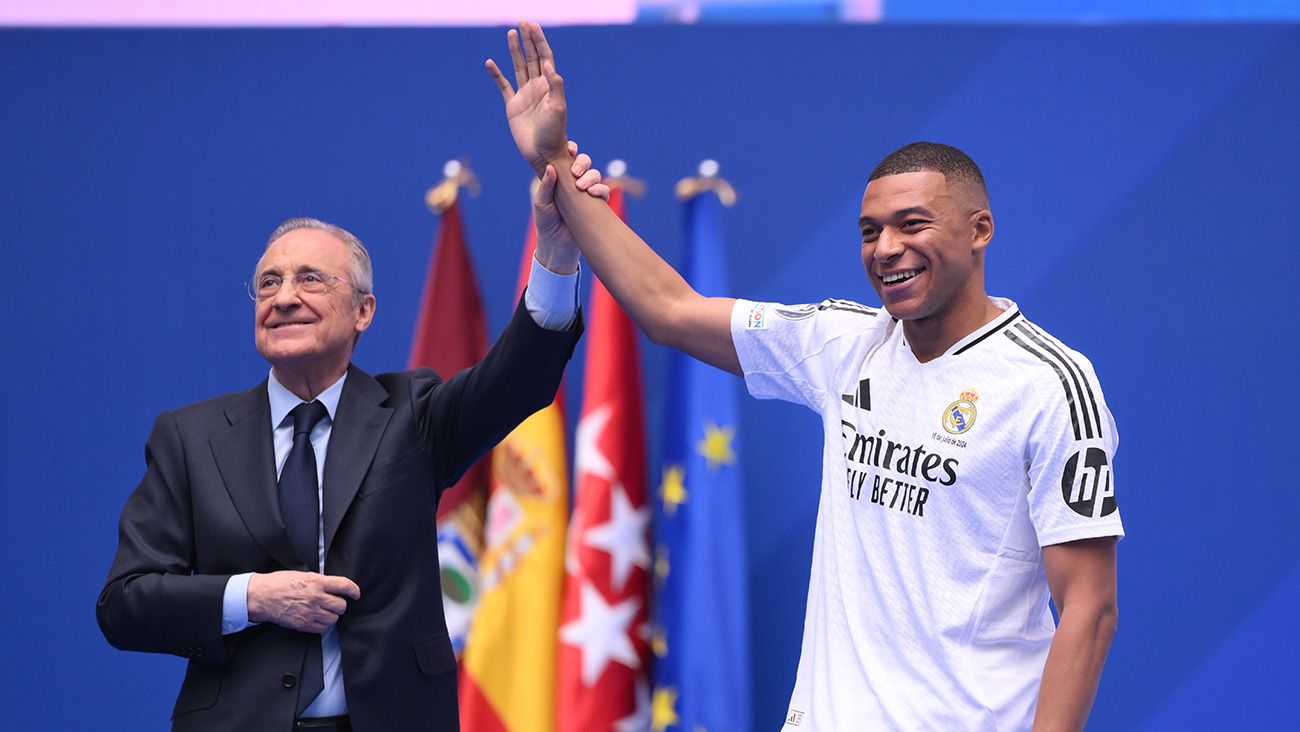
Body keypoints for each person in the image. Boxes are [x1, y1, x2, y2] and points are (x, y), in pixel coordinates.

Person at [486, 22, 1123, 731]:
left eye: (912, 224)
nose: (886, 249)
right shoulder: (842, 343)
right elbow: (670, 309)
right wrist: (555, 168)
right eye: (869, 231)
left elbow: (1089, 610)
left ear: (980, 231)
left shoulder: (1049, 384)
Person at [97, 152, 610, 732]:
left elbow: (520, 377)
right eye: (269, 283)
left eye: (310, 279)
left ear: (364, 310)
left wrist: (558, 251)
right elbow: (125, 604)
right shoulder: (190, 438)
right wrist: (251, 597)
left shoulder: (414, 415)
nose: (284, 297)